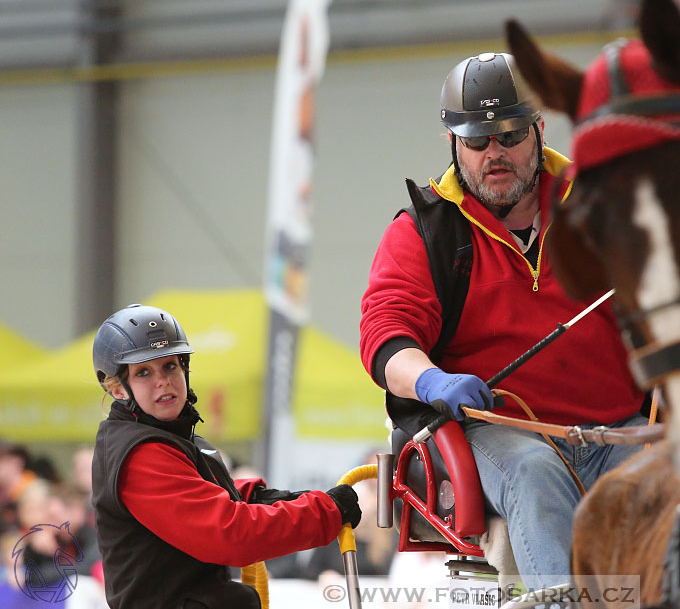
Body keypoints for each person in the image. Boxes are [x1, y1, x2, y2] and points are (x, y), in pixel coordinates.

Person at [359, 52, 647, 591]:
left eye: (510, 135)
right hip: (493, 433)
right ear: (453, 144)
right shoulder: (424, 230)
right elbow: (385, 338)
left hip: (614, 433)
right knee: (536, 475)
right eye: (477, 141)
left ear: (538, 132)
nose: (495, 153)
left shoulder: (600, 206)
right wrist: (432, 381)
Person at [90, 304, 362, 609]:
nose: (163, 380)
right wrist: (325, 513)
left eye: (170, 366)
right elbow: (230, 533)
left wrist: (274, 498)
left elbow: (215, 494)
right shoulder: (142, 454)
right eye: (143, 372)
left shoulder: (174, 439)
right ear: (117, 389)